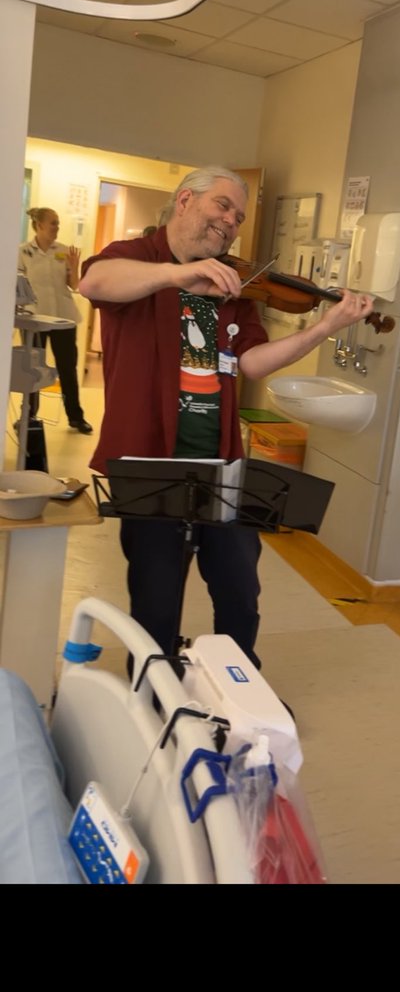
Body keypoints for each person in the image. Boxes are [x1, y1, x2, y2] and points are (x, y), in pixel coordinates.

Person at [78, 166, 374, 669]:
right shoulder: (135, 258)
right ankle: (152, 687)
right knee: (155, 597)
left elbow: (252, 361)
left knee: (240, 589)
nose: (231, 221)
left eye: (238, 215)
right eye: (223, 205)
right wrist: (179, 274)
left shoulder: (236, 285)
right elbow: (94, 282)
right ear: (186, 200)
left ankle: (237, 685)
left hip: (221, 463)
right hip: (151, 463)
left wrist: (325, 327)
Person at [18, 208, 93, 434]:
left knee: (67, 369)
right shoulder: (23, 251)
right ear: (39, 225)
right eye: (53, 223)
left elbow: (74, 286)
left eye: (58, 223)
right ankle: (28, 415)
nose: (57, 227)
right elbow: (18, 283)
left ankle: (76, 418)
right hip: (34, 320)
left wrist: (75, 267)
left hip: (63, 319)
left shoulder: (63, 251)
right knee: (32, 369)